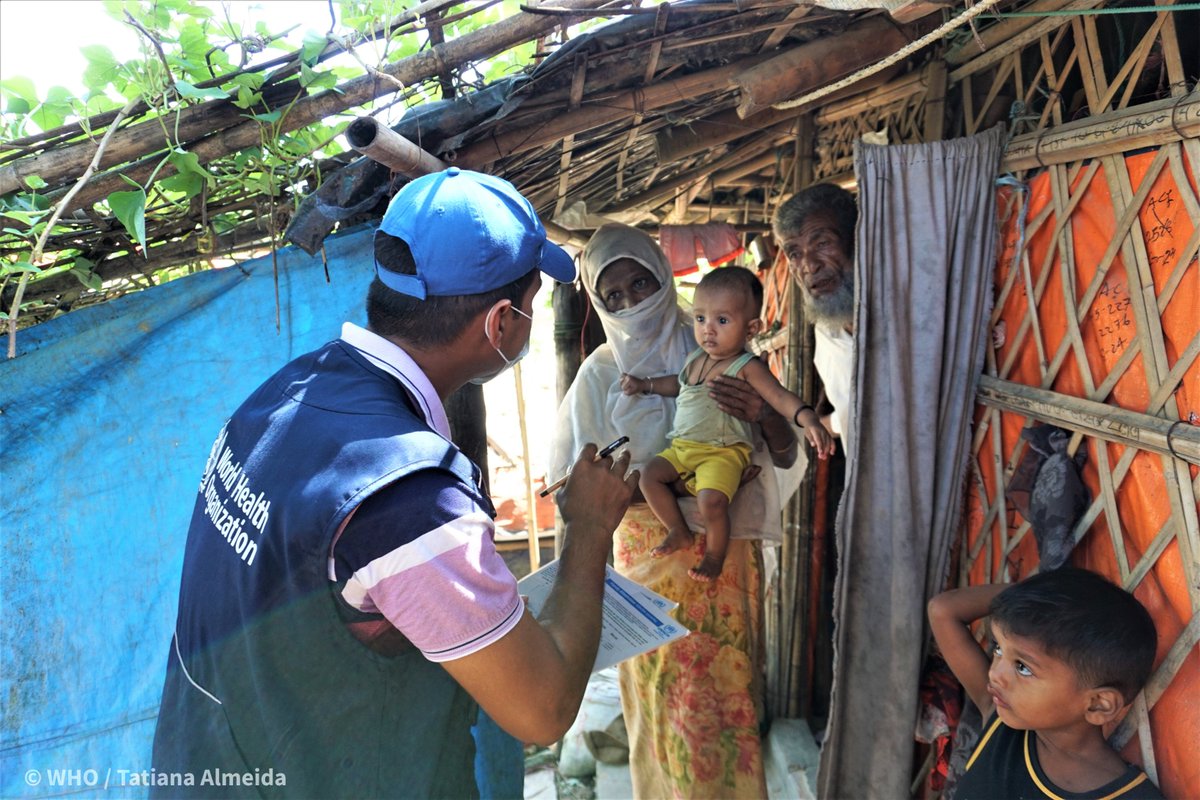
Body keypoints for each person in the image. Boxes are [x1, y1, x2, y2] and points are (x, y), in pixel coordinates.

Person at [151, 168, 639, 799]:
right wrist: (591, 528)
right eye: (534, 301)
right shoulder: (411, 502)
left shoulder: (288, 390)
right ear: (501, 323)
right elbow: (541, 709)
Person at [548, 223, 801, 798]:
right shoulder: (600, 374)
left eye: (641, 282)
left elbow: (783, 455)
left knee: (722, 697)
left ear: (664, 277)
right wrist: (663, 494)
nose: (633, 301)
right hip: (646, 554)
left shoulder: (720, 351)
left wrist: (765, 419)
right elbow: (581, 485)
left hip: (722, 553)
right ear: (598, 303)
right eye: (614, 295)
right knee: (660, 697)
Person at [622, 266, 834, 581]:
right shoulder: (695, 359)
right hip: (682, 448)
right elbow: (678, 385)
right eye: (700, 318)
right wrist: (646, 385)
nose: (708, 329)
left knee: (713, 503)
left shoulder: (746, 366)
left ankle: (714, 556)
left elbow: (778, 397)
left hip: (721, 453)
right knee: (648, 477)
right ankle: (678, 530)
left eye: (722, 321)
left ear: (751, 329)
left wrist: (808, 418)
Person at [927, 568, 1164, 799]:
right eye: (998, 648)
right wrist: (1037, 600)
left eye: (1023, 667)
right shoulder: (1001, 724)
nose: (995, 673)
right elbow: (942, 610)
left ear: (1097, 705)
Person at [773, 183, 858, 451]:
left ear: (857, 241)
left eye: (822, 243)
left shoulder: (910, 319)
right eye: (795, 254)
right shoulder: (827, 331)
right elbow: (852, 413)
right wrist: (820, 425)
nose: (809, 266)